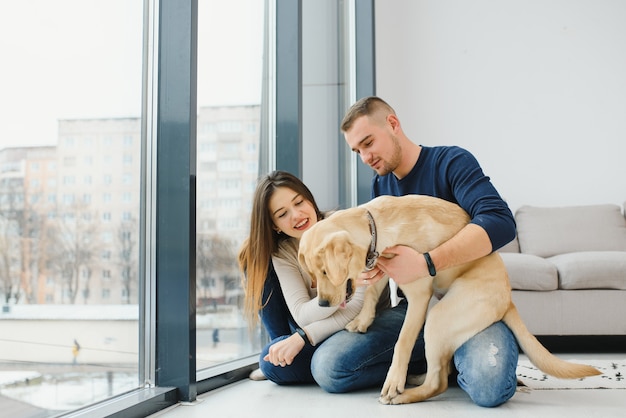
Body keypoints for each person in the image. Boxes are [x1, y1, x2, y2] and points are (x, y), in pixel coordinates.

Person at [331, 95, 519, 407]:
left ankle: (452, 352)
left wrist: (427, 263)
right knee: (331, 370)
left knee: (489, 384)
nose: (365, 157)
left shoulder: (451, 162)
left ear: (393, 124)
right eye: (357, 151)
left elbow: (500, 222)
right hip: (413, 310)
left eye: (368, 143)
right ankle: (435, 356)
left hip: (468, 299)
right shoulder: (381, 189)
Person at [238, 170, 392, 385]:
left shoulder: (346, 231)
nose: (297, 215)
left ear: (309, 198)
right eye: (282, 214)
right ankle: (282, 347)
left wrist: (304, 337)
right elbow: (301, 315)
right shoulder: (283, 253)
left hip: (360, 325)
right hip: (315, 328)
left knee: (327, 369)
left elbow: (354, 309)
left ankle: (406, 366)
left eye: (299, 202)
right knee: (253, 256)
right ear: (274, 225)